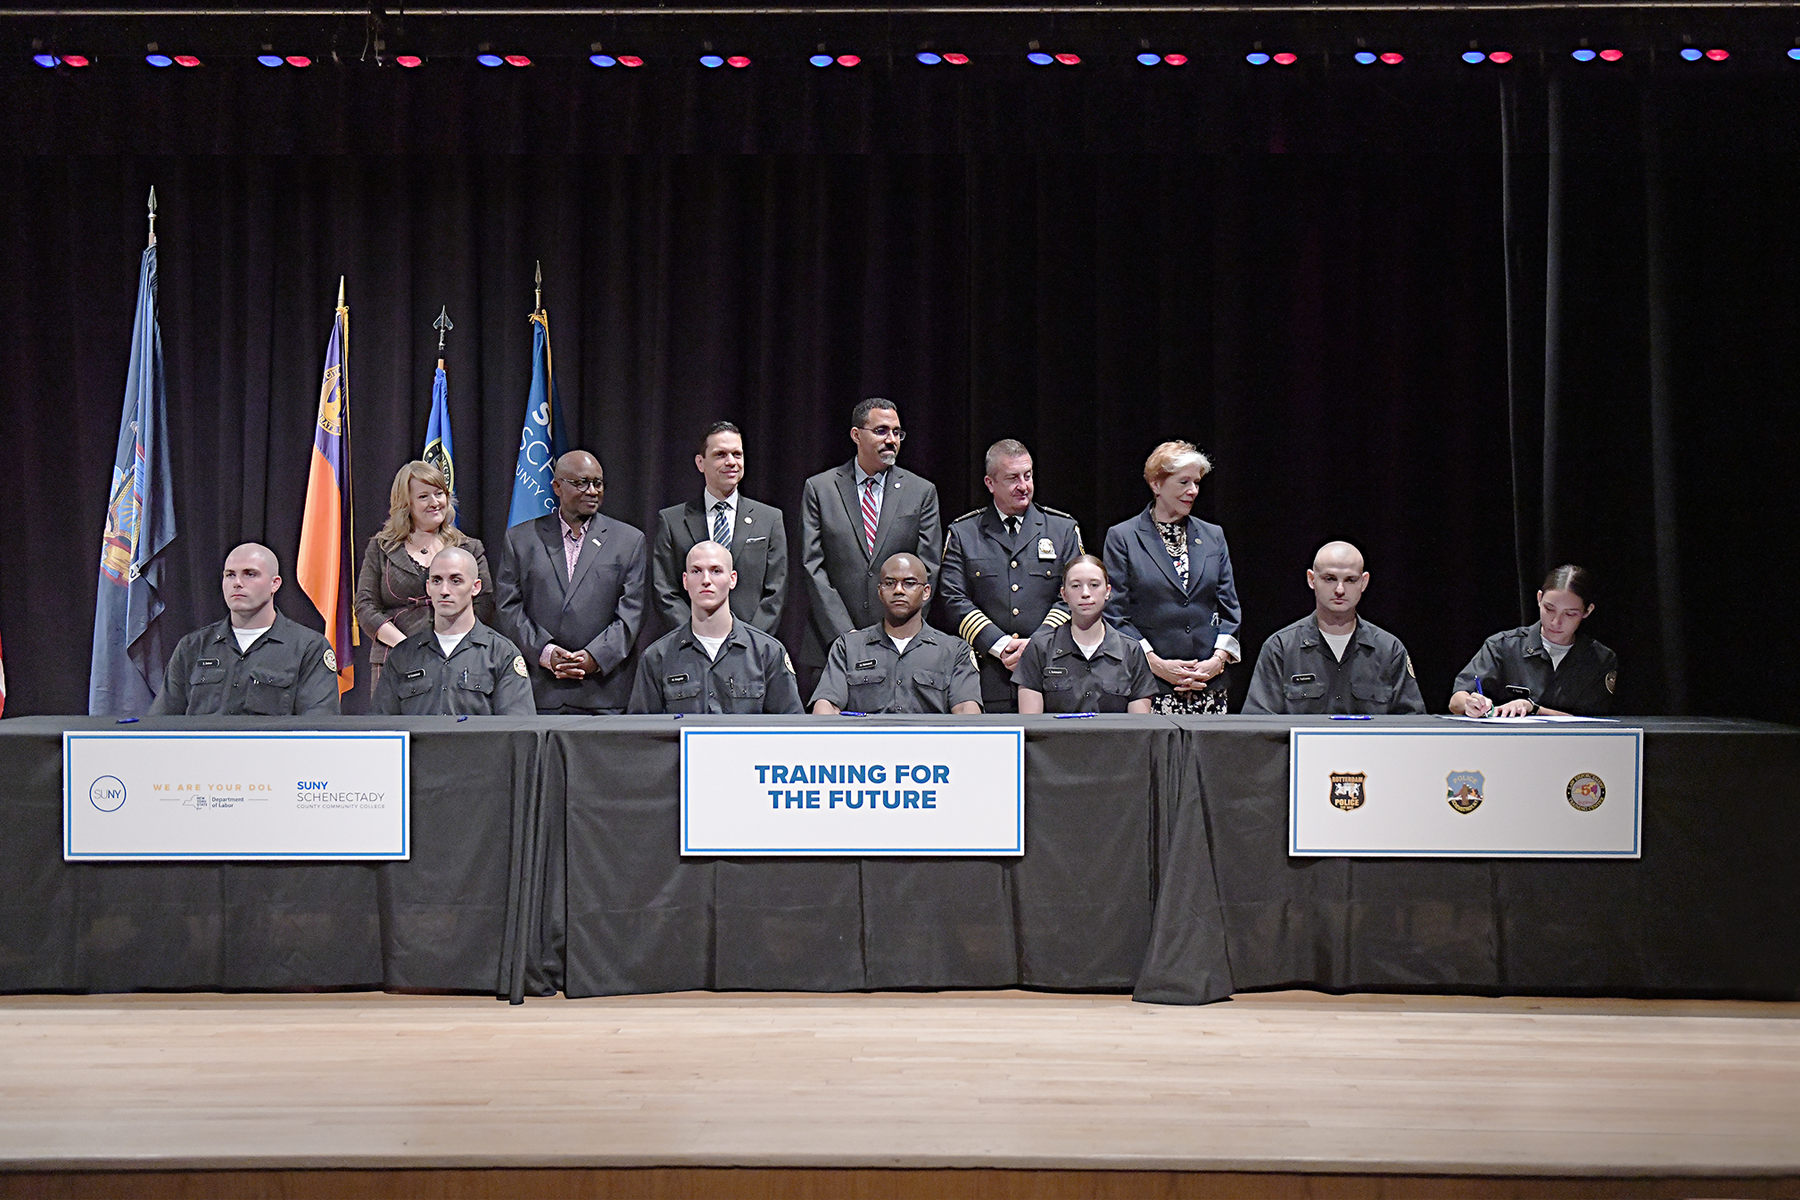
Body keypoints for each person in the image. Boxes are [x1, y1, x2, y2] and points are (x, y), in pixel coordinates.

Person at [799, 398, 942, 682]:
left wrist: (894, 631)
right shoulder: (821, 488)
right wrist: (847, 637)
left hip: (900, 645)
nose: (891, 440)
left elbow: (928, 567)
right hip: (831, 645)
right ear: (856, 435)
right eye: (881, 431)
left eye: (897, 433)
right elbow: (812, 566)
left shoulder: (921, 491)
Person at [937, 439, 1085, 713]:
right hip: (989, 673)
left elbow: (1075, 596)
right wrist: (1000, 644)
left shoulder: (1062, 529)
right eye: (1012, 478)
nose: (1024, 485)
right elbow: (952, 597)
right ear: (990, 483)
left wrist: (1037, 644)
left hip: (1052, 671)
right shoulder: (965, 533)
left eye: (1028, 476)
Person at [494, 450, 647, 714]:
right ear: (557, 487)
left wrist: (593, 657)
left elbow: (632, 613)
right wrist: (545, 652)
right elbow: (508, 607)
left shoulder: (629, 540)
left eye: (597, 483)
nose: (592, 491)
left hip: (604, 694)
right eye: (580, 483)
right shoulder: (520, 540)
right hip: (538, 693)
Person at [1102, 441, 1243, 715]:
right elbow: (1115, 613)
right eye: (1183, 482)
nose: (1193, 491)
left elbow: (1229, 608)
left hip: (1208, 685)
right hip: (1150, 686)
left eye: (1197, 483)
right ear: (1156, 485)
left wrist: (1217, 661)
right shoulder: (1123, 537)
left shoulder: (1214, 536)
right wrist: (1155, 663)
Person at [149, 543, 340, 716]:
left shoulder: (309, 648)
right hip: (202, 754)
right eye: (230, 574)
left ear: (275, 584)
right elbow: (160, 725)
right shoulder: (192, 647)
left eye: (250, 574)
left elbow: (318, 728)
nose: (237, 582)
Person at [1242, 540, 1426, 716]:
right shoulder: (1281, 649)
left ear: (1364, 582)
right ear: (1311, 579)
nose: (1340, 590)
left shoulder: (1389, 650)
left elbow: (1412, 725)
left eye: (1350, 580)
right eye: (1330, 579)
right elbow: (1260, 727)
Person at [355, 460, 495, 690]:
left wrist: (451, 646)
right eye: (423, 497)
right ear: (406, 503)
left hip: (458, 658)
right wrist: (405, 646)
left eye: (439, 493)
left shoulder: (469, 548)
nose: (434, 503)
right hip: (395, 658)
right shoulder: (381, 547)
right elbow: (365, 605)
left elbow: (484, 603)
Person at [629, 541, 804, 714]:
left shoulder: (768, 653)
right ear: (685, 580)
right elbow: (642, 737)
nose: (706, 580)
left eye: (716, 571)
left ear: (732, 579)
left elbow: (792, 731)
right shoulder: (657, 658)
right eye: (696, 571)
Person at [650, 421, 788, 637]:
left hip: (752, 650)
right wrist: (698, 635)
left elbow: (775, 592)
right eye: (720, 455)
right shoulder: (672, 521)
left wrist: (748, 641)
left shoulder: (769, 519)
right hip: (690, 648)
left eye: (737, 454)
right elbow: (665, 590)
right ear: (700, 462)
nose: (731, 462)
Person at [369, 547, 536, 716]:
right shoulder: (402, 656)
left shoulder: (502, 654)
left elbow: (517, 732)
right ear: (428, 587)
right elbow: (381, 730)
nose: (444, 591)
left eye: (455, 581)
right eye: (436, 580)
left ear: (475, 587)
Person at [811, 553, 982, 715]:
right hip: (867, 744)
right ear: (879, 591)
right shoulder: (849, 647)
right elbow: (826, 707)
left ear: (926, 592)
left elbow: (966, 712)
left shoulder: (954, 651)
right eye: (890, 583)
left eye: (909, 583)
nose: (898, 590)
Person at [1450, 564, 1619, 717]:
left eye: (1570, 614)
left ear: (1587, 611)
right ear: (1539, 598)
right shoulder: (1503, 646)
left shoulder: (1599, 659)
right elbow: (1456, 700)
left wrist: (1533, 708)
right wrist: (1470, 704)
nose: (1555, 621)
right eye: (1549, 609)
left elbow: (1595, 723)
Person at [1013, 556, 1157, 715]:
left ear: (1107, 591)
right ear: (1064, 594)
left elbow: (1139, 730)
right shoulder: (1039, 647)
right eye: (1075, 586)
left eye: (1094, 585)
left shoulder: (1131, 651)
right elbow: (1030, 726)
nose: (1085, 593)